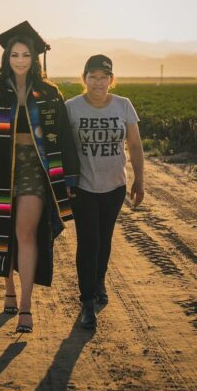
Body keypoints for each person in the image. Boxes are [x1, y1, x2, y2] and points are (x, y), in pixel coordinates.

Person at [0, 21, 79, 333]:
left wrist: (70, 179)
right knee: (3, 232)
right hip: (1, 171)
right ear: (7, 57)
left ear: (34, 58)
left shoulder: (48, 94)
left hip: (35, 170)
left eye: (25, 55)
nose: (20, 60)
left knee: (26, 233)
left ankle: (25, 305)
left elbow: (63, 136)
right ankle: (8, 287)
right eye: (14, 55)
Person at [66, 54, 145, 329]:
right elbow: (63, 148)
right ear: (84, 78)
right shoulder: (72, 108)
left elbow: (134, 145)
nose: (98, 82)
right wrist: (63, 180)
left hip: (114, 186)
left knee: (105, 238)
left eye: (104, 77)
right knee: (88, 241)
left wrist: (139, 179)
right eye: (93, 76)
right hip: (83, 186)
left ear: (111, 80)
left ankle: (99, 279)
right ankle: (87, 302)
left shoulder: (123, 106)